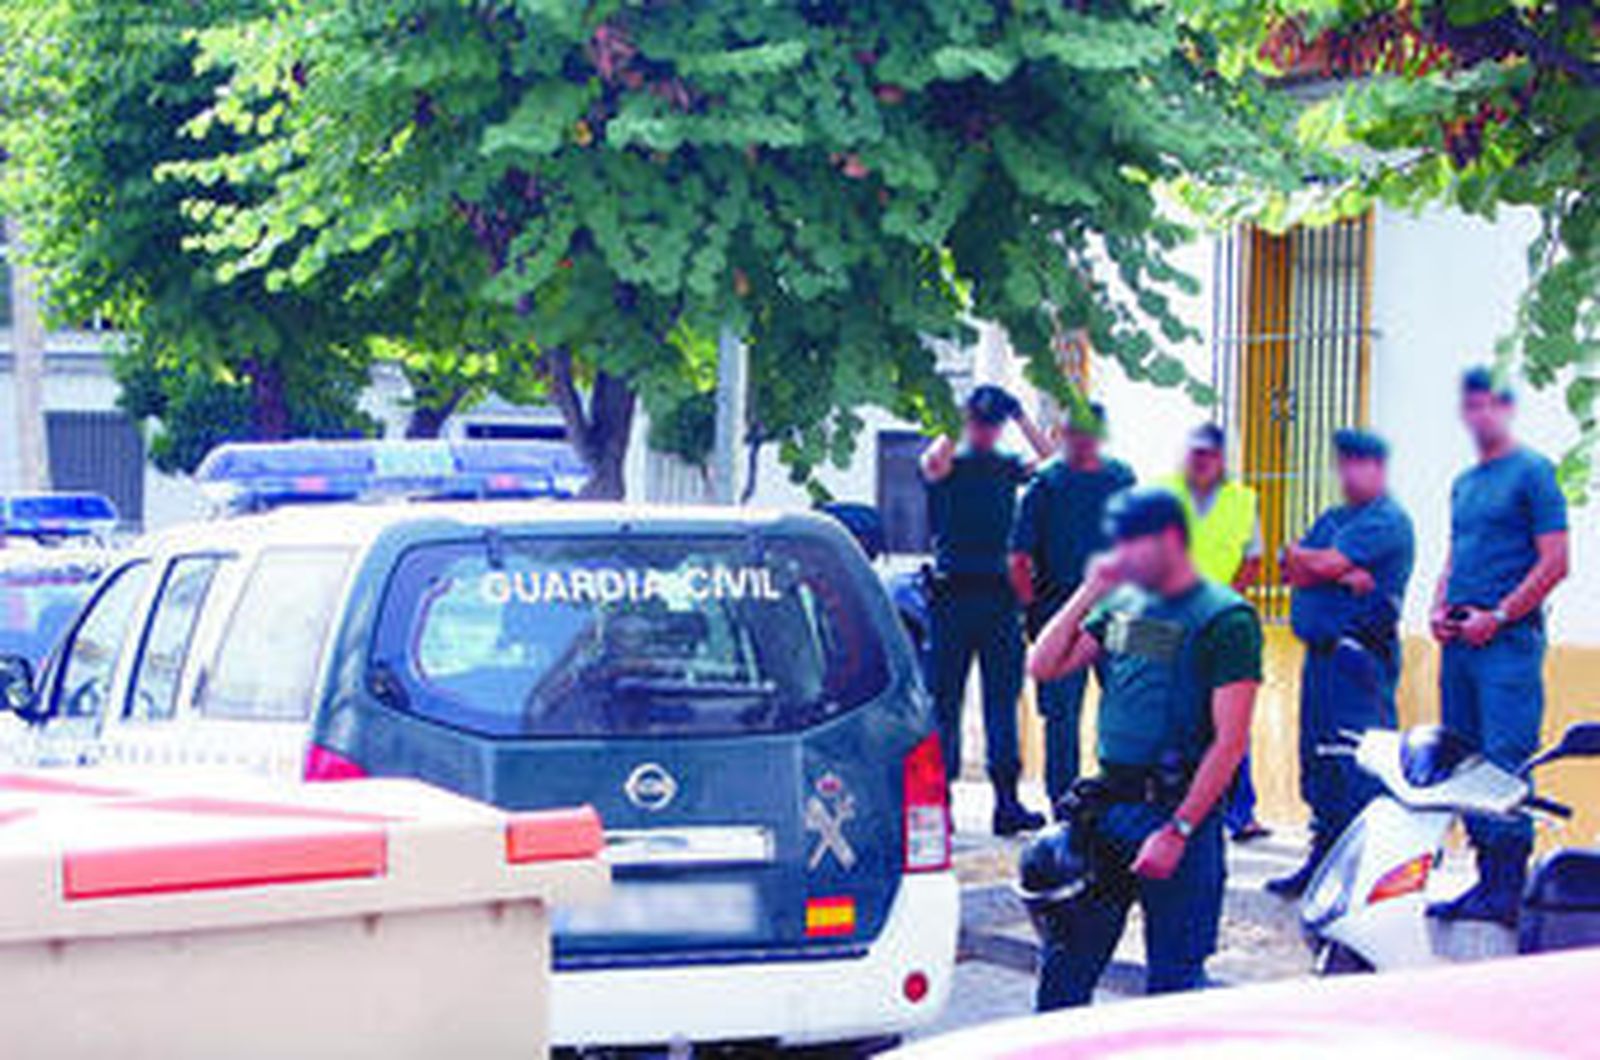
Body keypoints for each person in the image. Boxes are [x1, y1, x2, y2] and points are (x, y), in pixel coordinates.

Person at [1027, 488, 1262, 1008]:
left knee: (1175, 989)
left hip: (1176, 819)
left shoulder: (1226, 620)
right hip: (1110, 813)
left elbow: (1230, 742)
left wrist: (1177, 830)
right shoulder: (1125, 607)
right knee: (1065, 972)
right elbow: (1044, 666)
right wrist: (1087, 593)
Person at [1427, 367, 1569, 926]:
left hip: (1507, 645)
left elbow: (1556, 560)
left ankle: (1507, 891)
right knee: (1463, 759)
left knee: (1505, 761)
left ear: (1506, 409)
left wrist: (1502, 615)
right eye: (1472, 406)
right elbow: (1454, 555)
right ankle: (1485, 881)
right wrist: (1438, 609)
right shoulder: (1464, 481)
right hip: (1459, 643)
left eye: (1490, 405)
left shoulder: (1533, 472)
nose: (1480, 415)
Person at [1267, 429, 1415, 897]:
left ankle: (1362, 876)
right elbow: (1289, 564)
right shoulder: (1334, 516)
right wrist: (1319, 565)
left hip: (1359, 661)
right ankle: (1321, 862)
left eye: (1359, 464)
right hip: (1321, 659)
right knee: (1320, 761)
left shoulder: (1386, 520)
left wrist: (1321, 565)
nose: (1347, 473)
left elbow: (1319, 564)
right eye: (1343, 463)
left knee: (1357, 766)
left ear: (1379, 469)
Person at [922, 384, 1053, 835]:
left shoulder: (1005, 466)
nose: (983, 431)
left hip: (998, 597)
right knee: (945, 704)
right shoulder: (951, 464)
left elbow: (1053, 461)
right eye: (979, 423)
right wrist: (955, 420)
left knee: (1001, 702)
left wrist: (1020, 417)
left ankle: (1007, 800)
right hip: (952, 596)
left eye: (989, 424)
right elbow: (931, 463)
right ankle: (940, 801)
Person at [1008, 402, 1135, 816]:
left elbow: (1018, 561)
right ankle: (1079, 802)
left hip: (1096, 611)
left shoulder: (1112, 479)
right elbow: (1019, 559)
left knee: (1120, 700)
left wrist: (1031, 609)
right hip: (1072, 610)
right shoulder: (1053, 483)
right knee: (1079, 709)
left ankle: (1091, 799)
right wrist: (1033, 609)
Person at [1162, 424, 1270, 842]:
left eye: (1210, 454)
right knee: (1173, 715)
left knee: (1231, 724)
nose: (1202, 460)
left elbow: (1253, 560)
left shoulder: (1242, 501)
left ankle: (1241, 813)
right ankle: (1174, 805)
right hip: (1169, 621)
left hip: (1221, 626)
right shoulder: (1164, 496)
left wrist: (1225, 604)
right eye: (1195, 453)